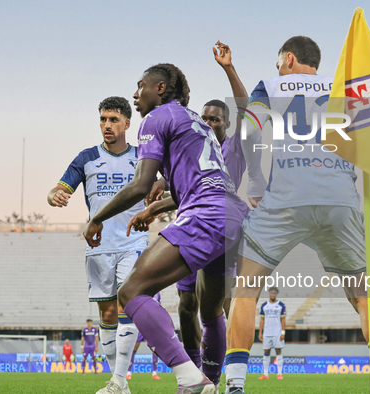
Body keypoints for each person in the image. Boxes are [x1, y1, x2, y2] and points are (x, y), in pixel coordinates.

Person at [223, 35, 370, 394]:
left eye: (279, 63)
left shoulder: (271, 85)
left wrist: (255, 180)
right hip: (341, 197)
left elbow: (249, 129)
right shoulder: (347, 88)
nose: (278, 68)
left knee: (245, 290)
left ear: (289, 59)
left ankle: (236, 386)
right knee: (363, 295)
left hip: (286, 197)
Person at [83, 62, 248, 394]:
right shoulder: (197, 123)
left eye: (141, 85)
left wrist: (97, 217)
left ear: (160, 88)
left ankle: (190, 378)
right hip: (233, 216)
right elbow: (202, 182)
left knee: (130, 292)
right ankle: (210, 384)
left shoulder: (156, 118)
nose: (135, 93)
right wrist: (159, 205)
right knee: (212, 308)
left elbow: (140, 184)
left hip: (203, 216)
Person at [143, 40, 248, 383]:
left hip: (218, 226)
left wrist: (228, 68)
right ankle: (194, 374)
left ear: (226, 125)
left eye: (215, 119)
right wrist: (161, 194)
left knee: (213, 307)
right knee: (186, 306)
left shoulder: (234, 147)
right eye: (203, 118)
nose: (208, 122)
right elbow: (185, 190)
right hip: (190, 222)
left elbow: (247, 110)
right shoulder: (192, 147)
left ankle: (219, 376)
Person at [47, 96, 146, 394]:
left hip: (133, 240)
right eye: (103, 119)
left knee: (129, 303)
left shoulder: (143, 157)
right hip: (100, 245)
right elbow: (60, 187)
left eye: (114, 120)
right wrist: (55, 195)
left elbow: (167, 182)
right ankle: (120, 381)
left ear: (127, 123)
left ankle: (117, 381)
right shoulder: (86, 157)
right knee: (107, 315)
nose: (107, 125)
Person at [127, 293, 162, 381]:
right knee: (134, 347)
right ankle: (128, 372)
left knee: (155, 349)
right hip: (140, 324)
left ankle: (154, 373)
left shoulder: (157, 293)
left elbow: (159, 307)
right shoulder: (141, 290)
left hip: (152, 325)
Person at [258, 287, 286, 380]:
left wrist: (283, 332)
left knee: (278, 351)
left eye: (274, 293)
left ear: (276, 294)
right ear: (269, 293)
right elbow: (262, 320)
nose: (273, 294)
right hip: (267, 333)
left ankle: (279, 373)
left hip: (277, 333)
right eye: (271, 293)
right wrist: (260, 332)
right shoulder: (264, 305)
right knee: (266, 352)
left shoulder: (281, 305)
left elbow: (283, 319)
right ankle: (265, 374)